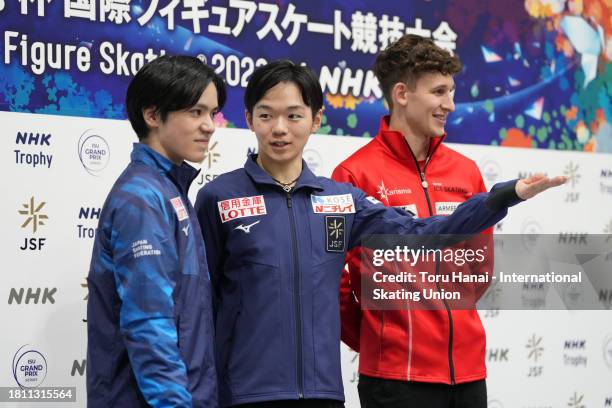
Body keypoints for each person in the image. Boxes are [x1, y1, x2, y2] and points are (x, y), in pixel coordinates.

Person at [194, 59, 564, 408]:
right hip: (243, 393)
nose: (279, 128)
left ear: (316, 119)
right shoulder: (219, 197)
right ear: (248, 119)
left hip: (323, 392)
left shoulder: (341, 199)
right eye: (266, 115)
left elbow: (422, 232)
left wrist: (504, 196)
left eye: (294, 116)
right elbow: (200, 302)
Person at [331, 34, 502, 407]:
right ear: (402, 94)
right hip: (394, 378)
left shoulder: (467, 172)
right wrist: (382, 338)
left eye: (452, 92)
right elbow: (335, 282)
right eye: (439, 92)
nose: (450, 105)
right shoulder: (353, 174)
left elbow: (480, 269)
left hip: (469, 374)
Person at [87, 55, 226, 407]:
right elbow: (149, 323)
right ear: (152, 115)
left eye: (212, 113)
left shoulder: (168, 190)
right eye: (195, 112)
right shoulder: (143, 198)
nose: (209, 125)